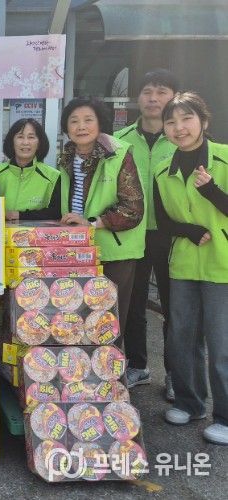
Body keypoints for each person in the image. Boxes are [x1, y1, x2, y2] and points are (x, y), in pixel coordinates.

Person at [154, 92, 228, 445]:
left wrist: (211, 190)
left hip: (222, 264)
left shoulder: (225, 158)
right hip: (183, 264)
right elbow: (162, 221)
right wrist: (188, 231)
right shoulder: (162, 169)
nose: (179, 128)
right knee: (181, 337)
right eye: (171, 122)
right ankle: (189, 402)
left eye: (187, 119)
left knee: (222, 343)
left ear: (203, 121)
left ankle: (225, 417)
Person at [58, 97, 145, 340]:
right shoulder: (67, 156)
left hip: (113, 252)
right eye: (74, 121)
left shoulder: (117, 153)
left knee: (108, 325)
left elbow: (133, 208)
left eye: (88, 120)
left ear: (100, 123)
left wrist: (93, 223)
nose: (81, 126)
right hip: (78, 250)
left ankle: (111, 365)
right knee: (79, 322)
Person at [114, 70, 179, 396]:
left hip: (174, 235)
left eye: (162, 91)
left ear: (174, 97)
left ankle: (175, 374)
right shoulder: (118, 140)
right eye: (147, 92)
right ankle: (137, 365)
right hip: (131, 234)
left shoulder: (183, 138)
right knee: (132, 305)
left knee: (174, 307)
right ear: (137, 98)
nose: (153, 98)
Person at [0, 118, 61, 219]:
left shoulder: (53, 176)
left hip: (36, 230)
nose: (25, 142)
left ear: (39, 143)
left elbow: (56, 213)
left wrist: (19, 215)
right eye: (20, 137)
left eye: (31, 137)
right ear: (12, 142)